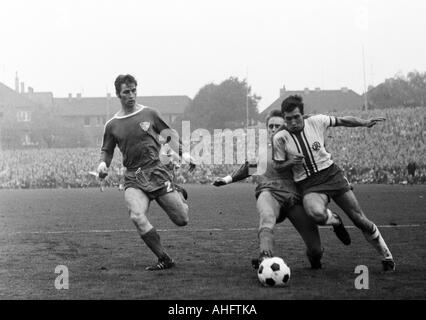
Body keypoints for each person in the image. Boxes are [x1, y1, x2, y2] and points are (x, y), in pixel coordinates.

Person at [272, 95, 395, 271]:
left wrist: (364, 122)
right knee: (315, 213)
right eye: (288, 118)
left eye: (296, 117)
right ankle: (336, 221)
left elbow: (344, 120)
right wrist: (290, 163)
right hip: (308, 183)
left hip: (331, 174)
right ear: (284, 118)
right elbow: (277, 166)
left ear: (303, 114)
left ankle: (387, 256)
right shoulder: (279, 138)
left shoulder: (316, 121)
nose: (293, 122)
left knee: (359, 219)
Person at [97, 74, 195, 271]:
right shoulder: (112, 125)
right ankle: (164, 258)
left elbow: (169, 135)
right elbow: (107, 150)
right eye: (126, 92)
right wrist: (102, 165)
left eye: (134, 90)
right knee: (136, 216)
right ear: (118, 94)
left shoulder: (150, 113)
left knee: (182, 219)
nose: (131, 95)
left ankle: (177, 191)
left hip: (157, 172)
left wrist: (184, 154)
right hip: (134, 177)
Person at [213, 110, 324, 269]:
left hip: (295, 196)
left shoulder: (300, 146)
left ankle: (315, 255)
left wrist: (340, 184)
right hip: (269, 191)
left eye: (277, 125)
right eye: (270, 126)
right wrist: (226, 179)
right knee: (267, 217)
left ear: (285, 126)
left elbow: (321, 167)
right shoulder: (264, 150)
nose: (273, 129)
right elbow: (248, 168)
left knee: (316, 250)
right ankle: (265, 256)